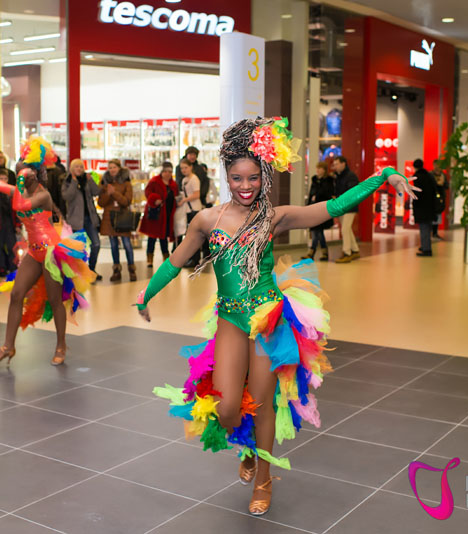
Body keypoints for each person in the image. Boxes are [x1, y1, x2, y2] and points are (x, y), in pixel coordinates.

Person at [137, 117, 417, 516]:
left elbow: (332, 207)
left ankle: (264, 479)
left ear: (264, 177)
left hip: (268, 319)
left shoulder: (273, 217)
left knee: (263, 404)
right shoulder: (206, 220)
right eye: (237, 178)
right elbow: (176, 261)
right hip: (231, 319)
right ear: (226, 176)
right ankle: (248, 449)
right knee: (227, 408)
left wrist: (383, 176)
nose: (245, 186)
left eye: (253, 177)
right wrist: (146, 294)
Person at [0, 136, 95, 366]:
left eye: (23, 173)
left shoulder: (43, 195)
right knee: (16, 295)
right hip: (34, 251)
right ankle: (8, 345)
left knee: (55, 300)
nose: (19, 176)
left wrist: (17, 182)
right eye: (18, 172)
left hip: (51, 253)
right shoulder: (22, 190)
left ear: (34, 174)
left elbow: (18, 204)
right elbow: (5, 187)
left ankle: (61, 345)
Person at [61, 159, 101, 280]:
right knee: (78, 248)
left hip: (90, 218)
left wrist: (91, 180)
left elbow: (96, 192)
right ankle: (80, 272)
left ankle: (91, 269)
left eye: (81, 167)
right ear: (71, 169)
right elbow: (67, 197)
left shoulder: (86, 180)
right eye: (76, 167)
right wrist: (74, 182)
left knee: (96, 244)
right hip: (76, 219)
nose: (79, 169)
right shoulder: (67, 181)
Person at [98, 159, 136, 282]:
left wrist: (114, 193)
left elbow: (126, 201)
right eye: (110, 168)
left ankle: (132, 269)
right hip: (109, 218)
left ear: (119, 168)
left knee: (127, 244)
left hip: (122, 217)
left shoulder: (126, 183)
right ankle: (116, 270)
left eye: (114, 167)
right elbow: (101, 203)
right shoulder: (104, 183)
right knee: (113, 246)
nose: (112, 170)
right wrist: (107, 194)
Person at [140, 161, 179, 268]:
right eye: (165, 171)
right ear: (161, 172)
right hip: (156, 215)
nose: (167, 174)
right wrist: (154, 199)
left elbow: (175, 197)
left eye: (169, 171)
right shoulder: (154, 181)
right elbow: (148, 193)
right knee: (152, 238)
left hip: (167, 215)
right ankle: (149, 260)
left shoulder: (173, 184)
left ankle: (166, 259)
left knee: (164, 238)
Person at [302, 161, 334, 261]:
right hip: (313, 208)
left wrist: (317, 196)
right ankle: (322, 252)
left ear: (324, 170)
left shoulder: (328, 181)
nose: (317, 170)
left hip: (322, 209)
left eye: (319, 168)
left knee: (318, 231)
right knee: (316, 231)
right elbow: (311, 193)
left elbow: (327, 193)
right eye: (317, 168)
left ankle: (312, 252)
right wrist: (307, 207)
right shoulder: (315, 180)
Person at [333, 156, 361, 263]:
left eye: (337, 164)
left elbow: (352, 192)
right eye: (334, 164)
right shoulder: (338, 176)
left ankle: (347, 253)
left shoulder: (351, 176)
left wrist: (339, 197)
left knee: (345, 229)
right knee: (347, 229)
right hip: (342, 206)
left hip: (350, 207)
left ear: (343, 164)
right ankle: (355, 250)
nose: (335, 166)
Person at [178, 159, 205, 268]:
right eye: (182, 168)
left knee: (195, 235)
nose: (184, 170)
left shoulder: (194, 179)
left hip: (195, 209)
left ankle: (195, 259)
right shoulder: (184, 179)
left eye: (186, 167)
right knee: (189, 235)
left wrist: (184, 200)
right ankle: (191, 258)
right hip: (188, 210)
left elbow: (196, 195)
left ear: (191, 167)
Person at [411, 159, 437, 257]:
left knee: (424, 227)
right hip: (430, 205)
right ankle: (425, 245)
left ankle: (426, 249)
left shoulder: (417, 177)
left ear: (415, 167)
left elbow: (417, 192)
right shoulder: (429, 175)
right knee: (427, 227)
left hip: (422, 206)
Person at [431, 159, 449, 239]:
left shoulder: (443, 175)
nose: (437, 167)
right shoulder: (431, 175)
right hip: (432, 198)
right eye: (436, 165)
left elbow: (447, 186)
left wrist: (442, 183)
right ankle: (431, 232)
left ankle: (435, 232)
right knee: (431, 215)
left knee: (438, 215)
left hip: (440, 199)